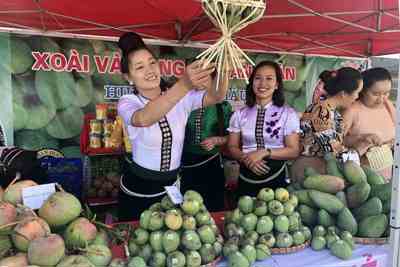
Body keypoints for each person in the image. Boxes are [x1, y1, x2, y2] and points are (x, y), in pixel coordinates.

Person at [117, 32, 230, 221]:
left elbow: (216, 96)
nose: (149, 70)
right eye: (139, 67)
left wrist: (224, 67)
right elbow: (144, 119)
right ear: (128, 77)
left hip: (172, 186)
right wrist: (184, 84)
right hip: (138, 188)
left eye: (152, 63)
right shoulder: (128, 102)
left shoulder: (180, 97)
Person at [226, 61, 300, 197]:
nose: (262, 84)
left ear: (277, 84)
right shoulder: (239, 114)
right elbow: (232, 146)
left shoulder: (288, 114)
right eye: (258, 78)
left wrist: (264, 152)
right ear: (252, 82)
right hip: (246, 178)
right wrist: (247, 159)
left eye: (269, 78)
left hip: (276, 180)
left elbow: (294, 151)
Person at [291, 67, 363, 182]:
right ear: (343, 93)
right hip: (310, 170)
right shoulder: (321, 112)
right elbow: (330, 149)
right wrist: (358, 151)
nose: (357, 97)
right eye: (357, 92)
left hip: (320, 170)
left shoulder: (330, 111)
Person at [343, 67, 395, 181]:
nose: (381, 99)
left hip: (387, 176)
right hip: (360, 177)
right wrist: (362, 138)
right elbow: (337, 141)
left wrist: (392, 143)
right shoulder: (352, 110)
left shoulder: (388, 106)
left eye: (386, 93)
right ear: (363, 90)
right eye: (375, 94)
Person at [180, 99, 232, 212]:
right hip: (186, 164)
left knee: (213, 205)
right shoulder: (183, 103)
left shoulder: (222, 106)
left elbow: (233, 136)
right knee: (187, 208)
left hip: (212, 163)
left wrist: (217, 140)